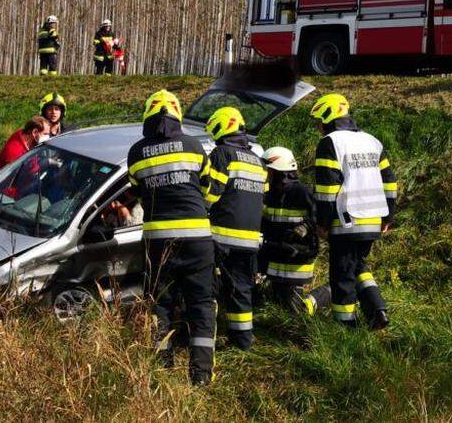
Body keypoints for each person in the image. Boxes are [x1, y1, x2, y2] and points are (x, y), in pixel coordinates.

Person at [127, 90, 215, 386]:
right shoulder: (194, 146)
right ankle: (201, 376)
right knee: (201, 304)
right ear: (177, 116)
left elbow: (137, 193)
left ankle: (161, 367)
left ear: (147, 117)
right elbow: (207, 189)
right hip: (198, 240)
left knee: (159, 303)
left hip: (159, 241)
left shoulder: (137, 152)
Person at [311, 93, 396, 329]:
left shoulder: (330, 143)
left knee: (342, 277)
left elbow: (327, 189)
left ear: (327, 118)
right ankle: (377, 310)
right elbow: (389, 182)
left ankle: (345, 328)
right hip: (373, 219)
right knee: (358, 265)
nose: (319, 128)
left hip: (347, 220)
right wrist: (388, 215)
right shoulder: (373, 141)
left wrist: (323, 222)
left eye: (319, 122)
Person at [200, 106, 266, 351]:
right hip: (250, 239)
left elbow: (211, 194)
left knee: (212, 289)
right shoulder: (257, 160)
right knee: (242, 289)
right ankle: (243, 342)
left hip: (222, 237)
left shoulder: (222, 154)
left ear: (220, 128)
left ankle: (207, 337)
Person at [258, 146, 327, 315]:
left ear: (278, 172)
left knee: (297, 311)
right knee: (278, 304)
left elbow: (321, 217)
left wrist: (306, 227)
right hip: (276, 259)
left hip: (297, 260)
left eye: (269, 171)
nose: (267, 175)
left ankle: (324, 295)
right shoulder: (269, 196)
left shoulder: (302, 193)